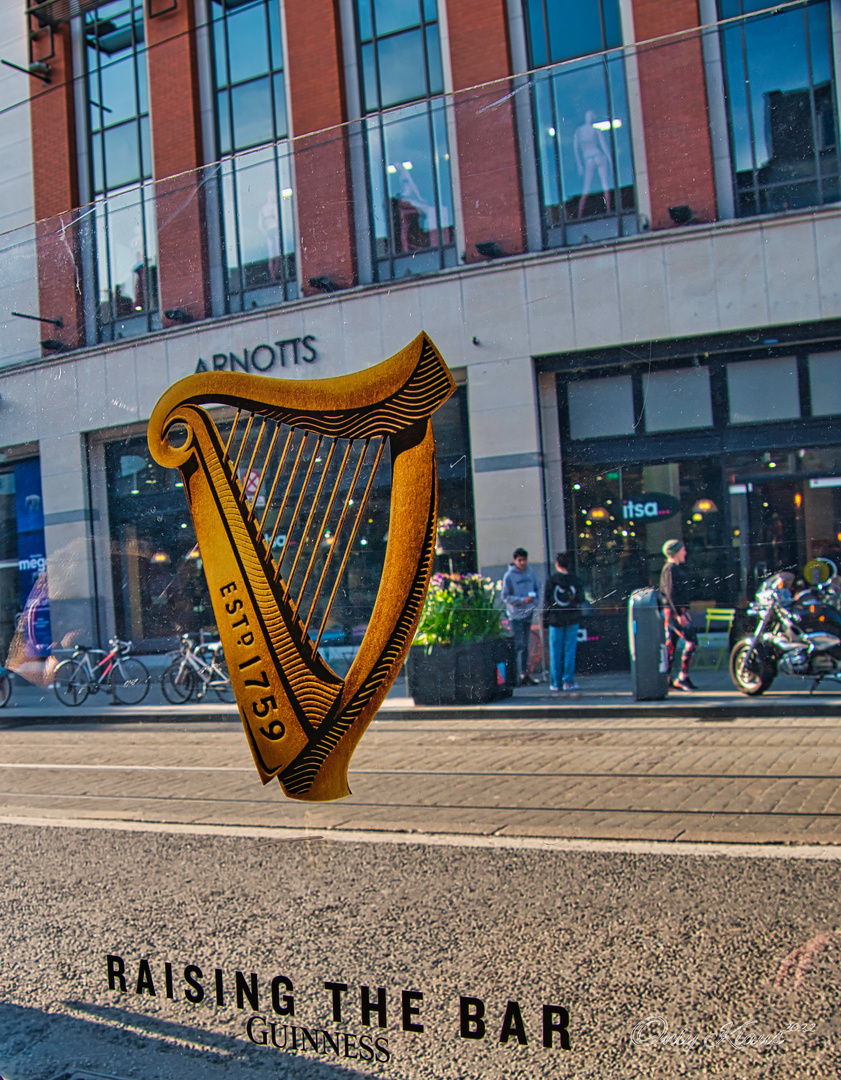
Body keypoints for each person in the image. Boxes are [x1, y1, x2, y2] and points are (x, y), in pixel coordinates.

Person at [659, 539, 698, 691]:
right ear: (675, 552)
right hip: (674, 613)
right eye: (683, 550)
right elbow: (671, 593)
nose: (685, 553)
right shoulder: (670, 569)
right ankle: (682, 677)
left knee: (671, 645)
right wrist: (679, 614)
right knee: (691, 642)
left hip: (674, 612)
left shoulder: (671, 568)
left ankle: (668, 679)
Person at [543, 552, 583, 692]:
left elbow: (547, 601)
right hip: (572, 618)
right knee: (569, 650)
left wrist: (545, 620)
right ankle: (568, 681)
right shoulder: (575, 580)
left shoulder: (552, 580)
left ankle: (555, 682)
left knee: (555, 652)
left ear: (557, 564)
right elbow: (580, 599)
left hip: (555, 619)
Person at [502, 548, 540, 686]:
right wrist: (522, 600)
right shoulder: (509, 576)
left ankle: (524, 674)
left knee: (525, 645)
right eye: (520, 560)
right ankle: (517, 675)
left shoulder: (530, 572)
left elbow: (537, 588)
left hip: (527, 613)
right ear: (515, 560)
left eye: (524, 560)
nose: (522, 563)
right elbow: (505, 596)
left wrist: (533, 602)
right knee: (519, 645)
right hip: (515, 615)